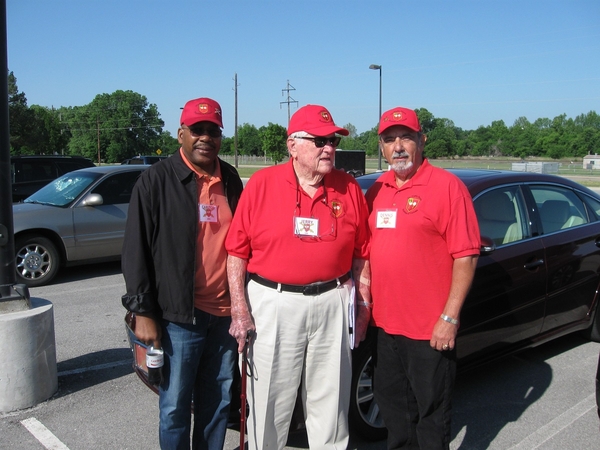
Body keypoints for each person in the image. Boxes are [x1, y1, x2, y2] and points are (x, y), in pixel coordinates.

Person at [225, 104, 371, 450]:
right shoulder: (262, 184)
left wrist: (363, 305)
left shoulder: (348, 187)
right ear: (293, 145)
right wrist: (239, 310)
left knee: (331, 402)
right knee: (271, 403)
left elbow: (362, 253)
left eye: (333, 140)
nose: (329, 148)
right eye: (320, 140)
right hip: (274, 304)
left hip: (333, 301)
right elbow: (236, 254)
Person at [121, 97, 244, 450]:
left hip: (225, 318)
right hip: (178, 319)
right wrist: (143, 312)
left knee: (218, 404)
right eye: (197, 130)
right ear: (181, 134)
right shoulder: (155, 181)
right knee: (175, 406)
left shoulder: (231, 179)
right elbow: (135, 252)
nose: (206, 137)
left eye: (213, 131)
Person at [365, 106, 480, 450]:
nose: (398, 146)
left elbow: (467, 255)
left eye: (406, 138)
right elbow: (366, 254)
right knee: (396, 416)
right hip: (384, 329)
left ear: (421, 141)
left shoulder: (447, 188)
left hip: (430, 331)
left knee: (431, 420)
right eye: (389, 139)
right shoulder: (377, 190)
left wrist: (449, 317)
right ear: (381, 147)